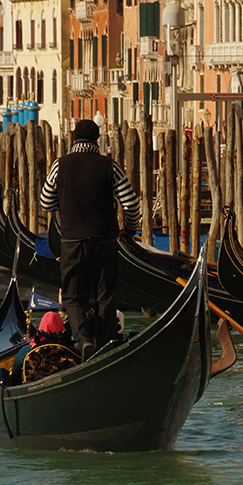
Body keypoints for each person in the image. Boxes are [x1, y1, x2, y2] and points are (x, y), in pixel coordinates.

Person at [39, 119, 141, 360]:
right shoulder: (109, 165)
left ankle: (84, 341)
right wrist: (129, 230)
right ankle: (104, 346)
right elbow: (131, 203)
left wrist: (63, 208)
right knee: (106, 295)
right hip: (104, 241)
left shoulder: (60, 165)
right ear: (98, 140)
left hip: (72, 241)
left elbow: (45, 201)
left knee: (74, 297)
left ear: (73, 140)